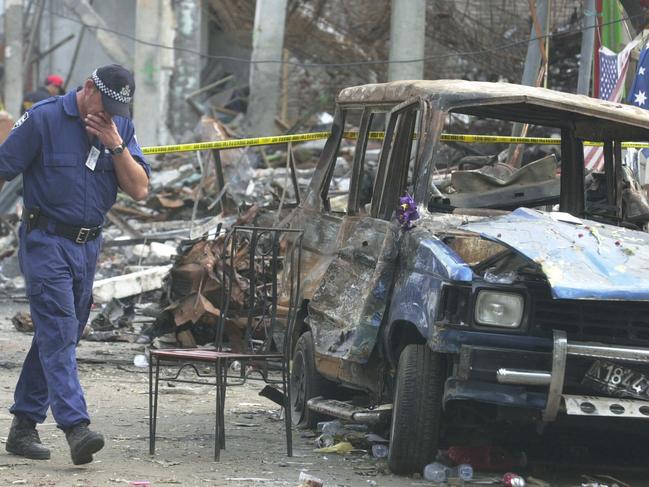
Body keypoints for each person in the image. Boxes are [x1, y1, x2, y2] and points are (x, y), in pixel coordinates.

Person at [0, 64, 150, 465]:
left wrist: (116, 143)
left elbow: (139, 188)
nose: (112, 112)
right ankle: (75, 426)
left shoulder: (121, 127)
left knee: (59, 334)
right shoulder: (45, 118)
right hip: (46, 240)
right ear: (88, 89)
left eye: (121, 106)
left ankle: (23, 425)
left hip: (88, 246)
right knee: (60, 329)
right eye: (107, 103)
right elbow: (2, 167)